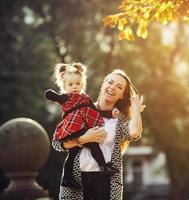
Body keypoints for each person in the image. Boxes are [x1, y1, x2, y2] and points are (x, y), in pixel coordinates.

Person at [52, 69, 145, 200]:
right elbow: (57, 143)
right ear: (103, 84)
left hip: (106, 181)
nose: (113, 87)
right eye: (110, 82)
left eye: (119, 87)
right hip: (76, 179)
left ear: (122, 95)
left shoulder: (120, 120)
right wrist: (83, 139)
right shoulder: (80, 108)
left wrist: (136, 110)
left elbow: (134, 132)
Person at [45, 63, 117, 190]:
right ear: (64, 85)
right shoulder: (65, 98)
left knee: (75, 153)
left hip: (82, 127)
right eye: (70, 84)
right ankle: (102, 168)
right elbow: (50, 94)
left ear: (82, 84)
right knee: (87, 147)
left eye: (78, 84)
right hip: (72, 128)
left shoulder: (86, 98)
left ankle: (68, 178)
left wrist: (111, 113)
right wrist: (52, 94)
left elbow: (96, 111)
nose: (74, 87)